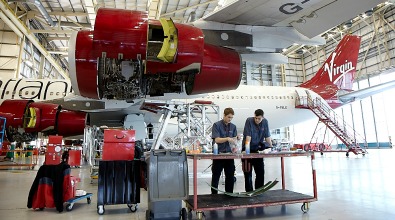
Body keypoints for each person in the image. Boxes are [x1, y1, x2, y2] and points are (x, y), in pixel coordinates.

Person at [242, 109, 272, 192]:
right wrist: (247, 150)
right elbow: (248, 137)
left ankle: (259, 191)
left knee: (260, 172)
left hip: (258, 150)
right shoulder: (249, 121)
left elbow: (267, 137)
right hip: (247, 150)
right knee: (247, 173)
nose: (257, 120)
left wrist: (271, 147)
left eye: (259, 118)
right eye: (255, 118)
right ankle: (249, 192)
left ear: (262, 117)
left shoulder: (265, 122)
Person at [211, 107, 238, 194]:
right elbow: (217, 140)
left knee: (230, 176)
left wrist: (236, 141)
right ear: (224, 115)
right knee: (216, 176)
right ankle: (214, 196)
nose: (230, 119)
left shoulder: (233, 127)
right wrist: (227, 139)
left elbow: (234, 140)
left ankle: (229, 194)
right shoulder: (216, 125)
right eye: (229, 117)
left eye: (231, 118)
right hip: (219, 154)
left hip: (229, 155)